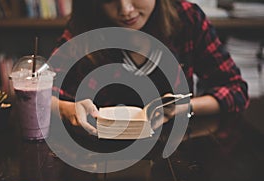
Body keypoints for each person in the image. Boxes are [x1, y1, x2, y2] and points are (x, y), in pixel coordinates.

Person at [50, 0, 249, 136]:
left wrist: (179, 109)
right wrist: (66, 109)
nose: (126, 9)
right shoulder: (84, 29)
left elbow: (235, 89)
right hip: (101, 160)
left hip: (178, 157)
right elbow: (36, 96)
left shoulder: (187, 18)